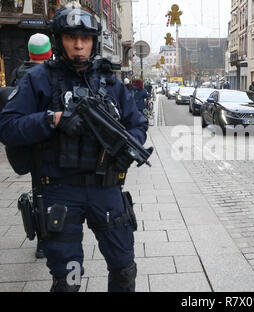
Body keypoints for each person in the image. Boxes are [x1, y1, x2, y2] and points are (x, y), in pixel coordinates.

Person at [0, 3, 148, 292]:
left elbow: (138, 124)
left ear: (93, 42)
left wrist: (128, 148)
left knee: (124, 270)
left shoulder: (110, 81)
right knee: (69, 280)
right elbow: (8, 127)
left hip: (106, 189)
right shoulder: (38, 79)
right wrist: (52, 119)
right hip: (59, 192)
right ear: (59, 40)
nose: (78, 45)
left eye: (85, 39)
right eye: (71, 38)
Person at [9, 33, 53, 259]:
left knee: (38, 189)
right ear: (49, 53)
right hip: (48, 141)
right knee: (50, 191)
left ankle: (40, 240)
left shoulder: (16, 74)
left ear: (29, 53)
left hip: (27, 142)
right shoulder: (48, 74)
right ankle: (48, 238)